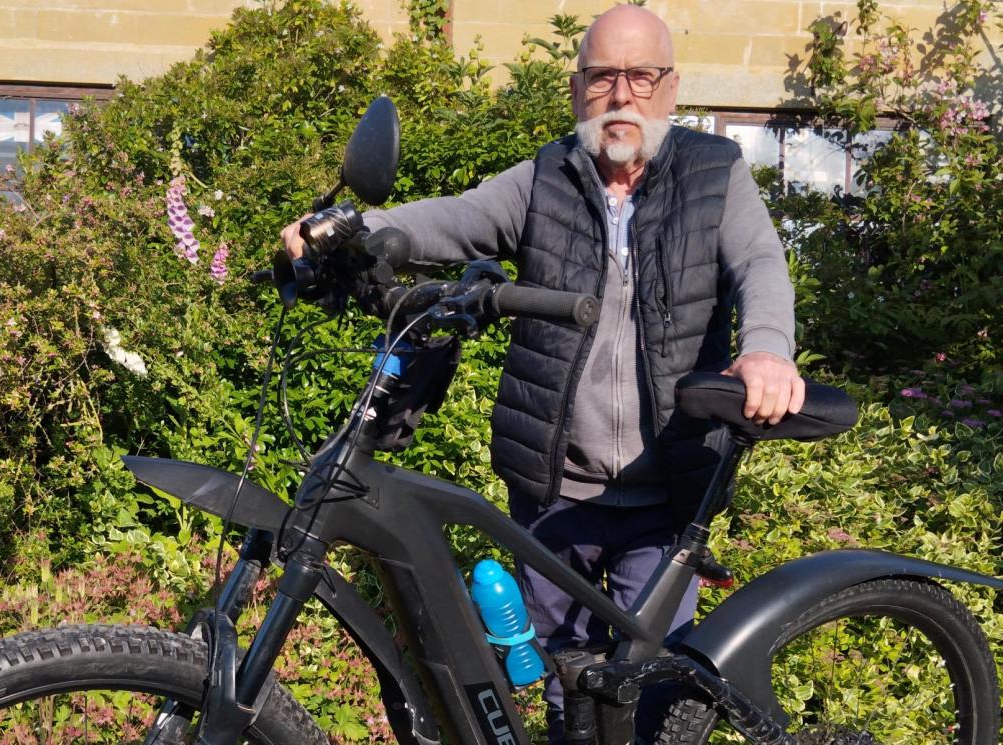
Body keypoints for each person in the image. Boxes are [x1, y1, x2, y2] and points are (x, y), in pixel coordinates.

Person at [282, 4, 805, 741]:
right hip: (556, 490)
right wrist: (345, 234)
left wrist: (767, 348)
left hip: (668, 491)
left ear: (669, 87)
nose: (621, 95)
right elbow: (455, 218)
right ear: (576, 88)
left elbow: (758, 264)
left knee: (643, 694)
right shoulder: (545, 177)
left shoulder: (713, 176)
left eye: (640, 75)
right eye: (602, 77)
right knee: (564, 683)